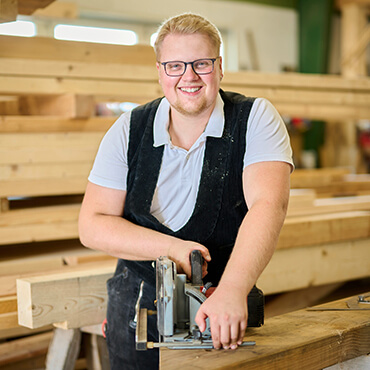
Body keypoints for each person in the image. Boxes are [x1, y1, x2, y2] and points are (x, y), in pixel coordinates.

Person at [79, 12, 294, 370]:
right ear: (160, 72)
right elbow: (92, 224)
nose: (189, 76)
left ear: (220, 67)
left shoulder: (255, 117)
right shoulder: (128, 129)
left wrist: (233, 290)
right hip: (137, 308)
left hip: (221, 307)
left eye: (202, 64)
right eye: (175, 65)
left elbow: (269, 204)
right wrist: (172, 248)